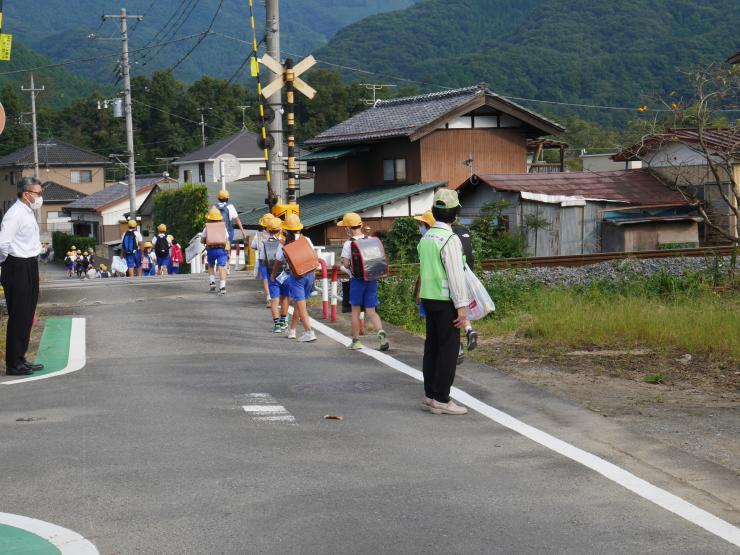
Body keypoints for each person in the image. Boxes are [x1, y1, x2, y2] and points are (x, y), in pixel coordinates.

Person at [417, 189, 470, 416]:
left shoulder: (426, 237)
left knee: (432, 347)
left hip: (428, 298)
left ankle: (430, 395)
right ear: (455, 214)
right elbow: (456, 275)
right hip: (445, 299)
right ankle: (442, 399)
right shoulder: (450, 239)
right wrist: (462, 306)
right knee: (448, 350)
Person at [0, 176, 45, 376]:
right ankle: (13, 363)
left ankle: (21, 358)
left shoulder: (27, 213)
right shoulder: (15, 214)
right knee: (19, 315)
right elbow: (3, 244)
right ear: (27, 194)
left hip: (28, 264)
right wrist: (8, 263)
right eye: (38, 193)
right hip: (16, 265)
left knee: (27, 314)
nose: (40, 197)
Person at [338, 212, 389, 351]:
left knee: (355, 311)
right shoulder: (370, 239)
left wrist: (341, 267)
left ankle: (356, 341)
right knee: (371, 311)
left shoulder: (349, 244)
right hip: (371, 279)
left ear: (348, 228)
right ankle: (380, 332)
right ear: (360, 225)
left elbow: (347, 264)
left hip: (357, 281)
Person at [272, 213, 316, 342]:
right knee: (299, 304)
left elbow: (278, 261)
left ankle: (309, 331)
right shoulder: (306, 239)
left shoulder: (283, 244)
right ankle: (292, 330)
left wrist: (273, 274)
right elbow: (314, 255)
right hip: (310, 274)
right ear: (299, 228)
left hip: (297, 276)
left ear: (285, 229)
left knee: (300, 305)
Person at [263, 216, 289, 333]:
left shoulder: (265, 244)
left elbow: (263, 260)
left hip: (272, 275)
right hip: (285, 274)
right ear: (281, 230)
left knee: (274, 300)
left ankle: (277, 324)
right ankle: (284, 321)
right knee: (285, 298)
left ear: (268, 231)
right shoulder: (284, 243)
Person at [213, 189, 247, 273]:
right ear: (228, 198)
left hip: (216, 232)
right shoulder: (230, 206)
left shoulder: (214, 206)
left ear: (218, 198)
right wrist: (242, 231)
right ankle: (227, 268)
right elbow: (237, 219)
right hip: (228, 231)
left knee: (217, 248)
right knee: (227, 249)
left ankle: (219, 267)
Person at [201, 207, 229, 295]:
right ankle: (222, 287)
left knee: (211, 265)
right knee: (221, 267)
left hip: (211, 250)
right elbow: (227, 237)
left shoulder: (207, 227)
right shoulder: (223, 227)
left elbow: (202, 239)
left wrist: (206, 241)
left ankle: (212, 282)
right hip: (221, 250)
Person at [252, 213, 273, 307]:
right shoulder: (278, 234)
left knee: (266, 279)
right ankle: (276, 296)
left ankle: (268, 297)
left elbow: (253, 246)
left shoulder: (258, 235)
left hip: (263, 260)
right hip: (275, 260)